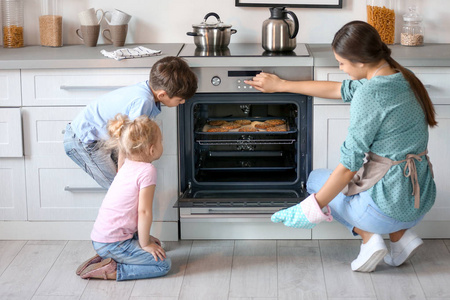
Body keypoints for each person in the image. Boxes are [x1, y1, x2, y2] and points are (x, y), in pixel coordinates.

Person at [245, 20, 437, 273]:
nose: (340, 68)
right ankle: (401, 237)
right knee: (341, 185)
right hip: (418, 202)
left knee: (315, 181)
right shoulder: (401, 78)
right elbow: (340, 89)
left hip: (385, 208)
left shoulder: (370, 94)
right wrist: (282, 85)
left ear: (359, 61)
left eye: (342, 63)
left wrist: (309, 208)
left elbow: (349, 165)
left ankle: (369, 239)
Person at [63, 56, 197, 189]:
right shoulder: (143, 102)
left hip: (98, 139)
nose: (183, 102)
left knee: (128, 185)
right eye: (180, 100)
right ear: (162, 95)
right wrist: (122, 170)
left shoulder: (147, 92)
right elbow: (127, 142)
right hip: (84, 141)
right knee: (120, 189)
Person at [76, 113, 171, 280]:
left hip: (102, 239)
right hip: (114, 244)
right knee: (163, 264)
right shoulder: (147, 171)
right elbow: (144, 212)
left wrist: (147, 239)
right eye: (161, 141)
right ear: (151, 149)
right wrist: (145, 244)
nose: (162, 144)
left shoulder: (126, 165)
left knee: (157, 246)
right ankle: (112, 269)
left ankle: (106, 259)